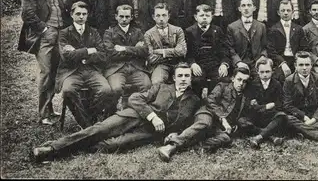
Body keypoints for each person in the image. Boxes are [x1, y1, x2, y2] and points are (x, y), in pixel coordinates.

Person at [32, 63, 201, 162]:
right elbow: (135, 98)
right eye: (181, 75)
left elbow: (188, 123)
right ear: (174, 77)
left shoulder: (194, 100)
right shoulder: (162, 87)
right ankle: (51, 149)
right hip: (134, 116)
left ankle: (65, 147)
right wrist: (153, 116)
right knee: (100, 130)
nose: (184, 79)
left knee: (112, 145)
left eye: (187, 76)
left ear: (191, 78)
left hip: (150, 132)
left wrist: (173, 133)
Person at [18, 0, 69, 125]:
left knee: (55, 72)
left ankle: (49, 109)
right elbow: (27, 14)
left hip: (59, 34)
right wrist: (45, 29)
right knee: (46, 72)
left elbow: (60, 10)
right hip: (44, 36)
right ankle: (43, 114)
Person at [56, 1, 112, 128]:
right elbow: (66, 57)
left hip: (91, 70)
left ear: (87, 15)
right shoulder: (64, 33)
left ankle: (89, 117)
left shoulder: (94, 32)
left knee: (106, 90)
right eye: (78, 14)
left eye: (84, 14)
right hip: (71, 72)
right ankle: (87, 126)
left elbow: (103, 55)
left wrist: (78, 54)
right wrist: (89, 50)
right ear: (71, 14)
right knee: (68, 90)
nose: (81, 17)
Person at [282, 52, 318, 144]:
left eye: (307, 65)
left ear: (311, 65)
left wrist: (314, 119)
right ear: (295, 66)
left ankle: (300, 131)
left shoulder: (317, 79)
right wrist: (304, 117)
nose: (304, 68)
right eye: (301, 65)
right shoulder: (289, 81)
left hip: (314, 115)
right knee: (287, 119)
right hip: (298, 116)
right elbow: (287, 105)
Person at [103, 5, 151, 112]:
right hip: (116, 69)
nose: (124, 19)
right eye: (121, 16)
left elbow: (144, 51)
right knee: (116, 89)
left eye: (127, 16)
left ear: (131, 17)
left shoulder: (137, 32)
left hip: (136, 68)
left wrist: (123, 49)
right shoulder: (109, 33)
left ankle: (138, 111)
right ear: (116, 17)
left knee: (147, 85)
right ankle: (111, 112)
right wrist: (134, 49)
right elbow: (111, 53)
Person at [185, 4, 231, 98]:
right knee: (196, 81)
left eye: (207, 16)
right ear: (196, 17)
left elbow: (224, 50)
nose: (205, 18)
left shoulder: (217, 30)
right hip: (198, 64)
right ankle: (197, 103)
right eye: (202, 16)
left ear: (212, 17)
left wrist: (224, 64)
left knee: (223, 79)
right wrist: (192, 64)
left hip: (214, 64)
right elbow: (187, 52)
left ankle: (215, 104)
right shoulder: (189, 31)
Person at [246, 58, 288, 149]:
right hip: (257, 116)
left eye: (267, 71)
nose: (265, 74)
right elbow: (250, 105)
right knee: (242, 121)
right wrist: (266, 106)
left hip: (271, 117)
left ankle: (258, 137)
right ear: (257, 71)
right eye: (262, 72)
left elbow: (280, 104)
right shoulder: (252, 85)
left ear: (272, 71)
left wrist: (260, 106)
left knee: (282, 116)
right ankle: (271, 136)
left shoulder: (277, 84)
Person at [144, 3, 187, 85]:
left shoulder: (178, 30)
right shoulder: (148, 34)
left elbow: (182, 51)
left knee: (186, 80)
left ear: (169, 16)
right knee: (157, 81)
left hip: (178, 63)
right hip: (160, 65)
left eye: (164, 15)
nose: (161, 19)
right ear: (153, 17)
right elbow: (150, 57)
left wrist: (160, 52)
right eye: (158, 16)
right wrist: (173, 52)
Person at [267, 0, 306, 83]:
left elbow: (303, 48)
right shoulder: (273, 29)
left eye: (288, 10)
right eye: (283, 10)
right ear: (278, 12)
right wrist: (282, 63)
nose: (285, 13)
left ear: (293, 12)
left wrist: (298, 61)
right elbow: (271, 51)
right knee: (279, 78)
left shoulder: (299, 29)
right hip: (281, 60)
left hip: (296, 59)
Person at [226, 0, 268, 72]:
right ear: (239, 9)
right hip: (240, 64)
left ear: (254, 8)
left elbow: (264, 47)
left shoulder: (261, 26)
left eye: (249, 5)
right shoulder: (232, 27)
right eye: (243, 5)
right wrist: (238, 62)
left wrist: (262, 56)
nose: (246, 8)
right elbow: (230, 49)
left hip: (257, 64)